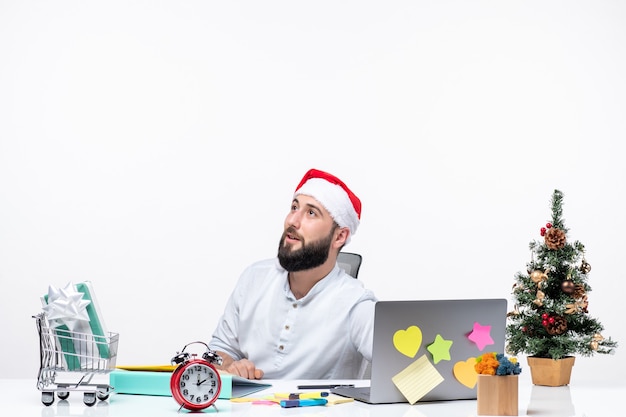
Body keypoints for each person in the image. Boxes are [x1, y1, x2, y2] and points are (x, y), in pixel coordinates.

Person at [209, 168, 377, 380]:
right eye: (294, 207)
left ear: (339, 237)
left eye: (311, 213)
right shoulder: (253, 278)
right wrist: (230, 365)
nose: (292, 221)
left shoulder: (356, 305)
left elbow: (409, 373)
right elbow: (217, 350)